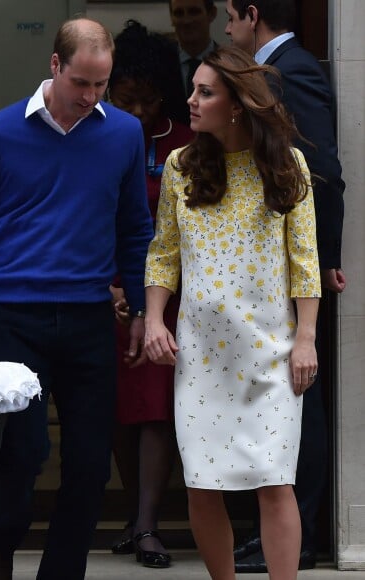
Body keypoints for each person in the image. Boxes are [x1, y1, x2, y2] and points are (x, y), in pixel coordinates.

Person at [0, 17, 153, 580]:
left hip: (89, 315)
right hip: (16, 313)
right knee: (23, 452)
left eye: (102, 85)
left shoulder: (122, 134)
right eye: (81, 83)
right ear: (54, 66)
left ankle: (62, 571)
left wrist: (143, 309)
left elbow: (135, 230)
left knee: (92, 464)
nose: (91, 97)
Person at [144, 46, 321, 579]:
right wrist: (154, 319)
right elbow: (164, 251)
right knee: (202, 483)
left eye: (206, 92)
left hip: (272, 352)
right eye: (193, 89)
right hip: (200, 355)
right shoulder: (181, 165)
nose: (191, 101)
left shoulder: (288, 164)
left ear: (239, 105)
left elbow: (305, 261)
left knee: (274, 480)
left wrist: (307, 338)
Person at [224, 0, 346, 571]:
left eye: (230, 16)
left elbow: (322, 173)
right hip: (260, 269)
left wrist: (320, 264)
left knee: (301, 398)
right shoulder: (269, 71)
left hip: (295, 270)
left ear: (252, 14)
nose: (227, 29)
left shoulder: (294, 70)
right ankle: (268, 533)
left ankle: (301, 536)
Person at [107, 19, 193, 569]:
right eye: (127, 98)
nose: (139, 112)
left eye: (150, 99)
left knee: (157, 409)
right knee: (117, 410)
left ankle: (147, 525)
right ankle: (131, 515)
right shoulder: (96, 133)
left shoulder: (185, 141)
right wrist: (111, 285)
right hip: (104, 289)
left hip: (168, 296)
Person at [168, 0, 219, 125]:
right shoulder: (161, 63)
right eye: (179, 13)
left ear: (212, 14)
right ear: (171, 18)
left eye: (194, 12)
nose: (186, 21)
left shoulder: (228, 65)